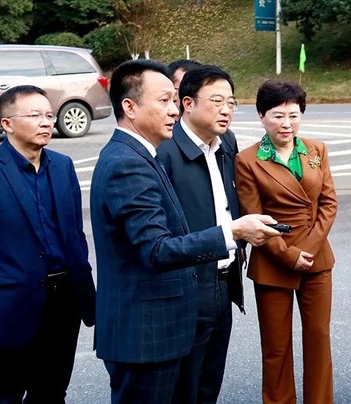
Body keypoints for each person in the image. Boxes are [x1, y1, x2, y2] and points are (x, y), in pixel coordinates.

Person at [90, 59, 280, 403]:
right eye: (164, 101)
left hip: (164, 322)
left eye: (173, 100)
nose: (174, 111)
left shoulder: (140, 155)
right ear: (130, 107)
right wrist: (232, 232)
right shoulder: (128, 163)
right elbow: (156, 249)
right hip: (146, 333)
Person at [235, 79, 338, 404]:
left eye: (294, 115)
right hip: (273, 261)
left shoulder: (316, 150)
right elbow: (253, 216)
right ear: (261, 116)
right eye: (278, 116)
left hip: (316, 259)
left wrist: (306, 250)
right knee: (276, 347)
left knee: (319, 339)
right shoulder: (248, 160)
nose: (286, 123)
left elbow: (328, 204)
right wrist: (289, 255)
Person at [0, 85, 96, 403]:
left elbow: (75, 235)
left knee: (52, 393)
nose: (46, 122)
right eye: (34, 115)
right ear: (7, 123)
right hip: (9, 305)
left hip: (63, 302)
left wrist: (85, 294)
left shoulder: (63, 166)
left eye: (49, 115)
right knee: (5, 395)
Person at [156, 65, 243, 404]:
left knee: (210, 382)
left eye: (231, 102)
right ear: (187, 103)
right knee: (184, 386)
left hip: (224, 280)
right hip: (186, 286)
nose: (226, 110)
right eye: (217, 101)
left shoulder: (227, 142)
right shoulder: (164, 150)